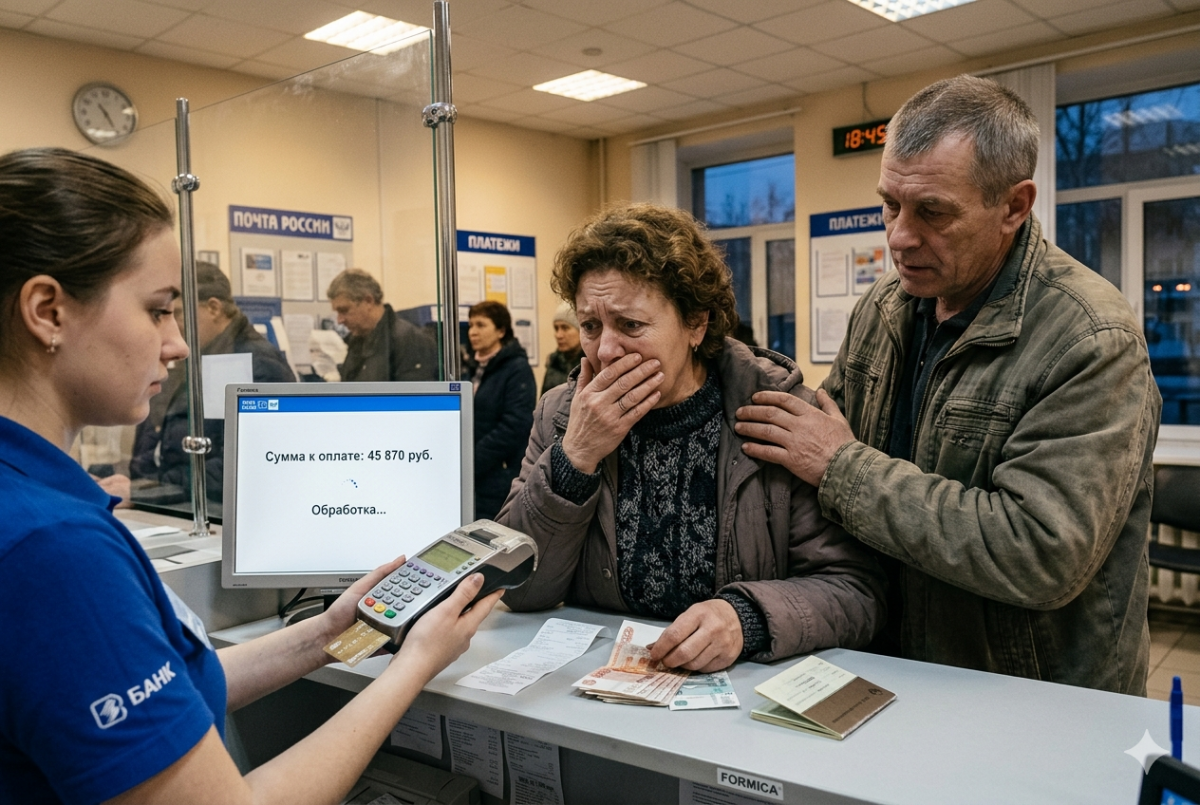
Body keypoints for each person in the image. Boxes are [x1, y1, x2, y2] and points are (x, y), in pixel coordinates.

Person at [0, 147, 502, 804]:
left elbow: (177, 689)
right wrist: (414, 664)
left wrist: (328, 634)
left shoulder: (31, 502)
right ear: (47, 310)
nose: (178, 343)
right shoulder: (53, 549)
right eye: (157, 309)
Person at [735, 75, 1161, 694]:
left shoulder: (1092, 340)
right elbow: (820, 437)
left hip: (1031, 699)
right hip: (893, 666)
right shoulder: (886, 305)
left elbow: (1040, 553)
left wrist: (842, 468)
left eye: (932, 211)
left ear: (1014, 206)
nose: (899, 237)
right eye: (890, 204)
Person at [498, 203, 885, 673]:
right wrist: (574, 457)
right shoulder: (562, 415)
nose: (605, 350)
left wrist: (747, 618)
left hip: (742, 697)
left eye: (631, 325)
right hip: (599, 688)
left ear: (696, 324)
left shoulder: (780, 412)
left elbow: (856, 591)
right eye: (590, 326)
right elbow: (517, 586)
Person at [129, 261, 294, 501]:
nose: (172, 328)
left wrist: (155, 487)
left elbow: (247, 464)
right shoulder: (205, 357)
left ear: (214, 308)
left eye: (179, 314)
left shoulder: (253, 364)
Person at [464, 300, 536, 520]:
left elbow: (514, 425)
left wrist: (472, 459)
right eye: (471, 325)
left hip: (500, 476)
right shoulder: (472, 368)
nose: (473, 332)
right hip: (476, 476)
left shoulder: (516, 369)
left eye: (481, 325)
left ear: (501, 331)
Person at [327, 267, 438, 382]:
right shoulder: (357, 342)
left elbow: (415, 398)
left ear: (368, 301)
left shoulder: (408, 341)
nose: (339, 320)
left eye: (344, 310)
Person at [541, 301, 583, 396]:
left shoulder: (592, 364)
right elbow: (543, 405)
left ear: (581, 330)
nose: (558, 335)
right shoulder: (553, 363)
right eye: (556, 328)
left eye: (565, 328)